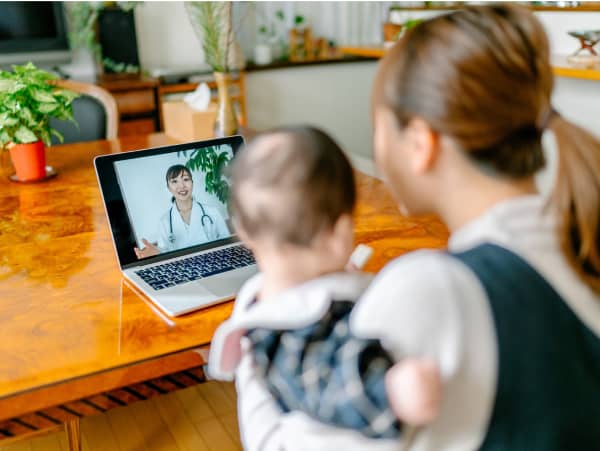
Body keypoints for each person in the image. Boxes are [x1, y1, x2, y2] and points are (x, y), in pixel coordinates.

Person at [237, 5, 600, 451]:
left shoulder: (435, 290)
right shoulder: (581, 237)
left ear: (420, 144)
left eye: (378, 126)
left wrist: (260, 322)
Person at [208, 126, 442, 448]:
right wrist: (394, 392)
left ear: (243, 229)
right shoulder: (296, 330)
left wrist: (338, 279)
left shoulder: (256, 299)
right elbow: (333, 385)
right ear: (340, 233)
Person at [134, 164, 230, 259]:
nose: (182, 186)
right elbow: (164, 253)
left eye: (186, 179)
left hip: (214, 261)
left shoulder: (212, 212)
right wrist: (157, 253)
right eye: (174, 181)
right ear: (169, 188)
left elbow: (227, 243)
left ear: (192, 182)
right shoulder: (164, 221)